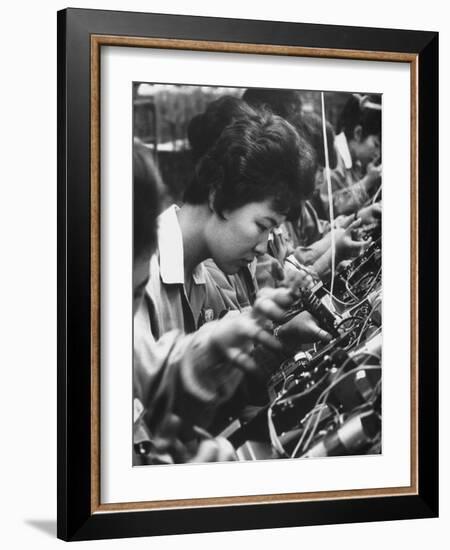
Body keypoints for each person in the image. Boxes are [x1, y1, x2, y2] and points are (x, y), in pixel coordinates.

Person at [132, 144, 302, 464]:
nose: (266, 246)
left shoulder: (201, 277)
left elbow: (152, 383)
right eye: (262, 226)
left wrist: (214, 349)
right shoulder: (143, 271)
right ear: (218, 198)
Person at [313, 93, 382, 218]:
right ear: (358, 133)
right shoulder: (332, 157)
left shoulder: (355, 161)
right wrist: (368, 181)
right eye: (376, 145)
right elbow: (328, 208)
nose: (378, 153)